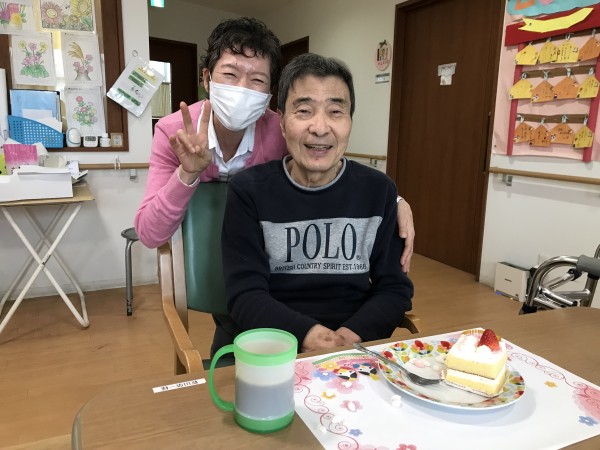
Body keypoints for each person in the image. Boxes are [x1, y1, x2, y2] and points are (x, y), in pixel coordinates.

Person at [134, 17, 416, 272]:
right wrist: (188, 173)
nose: (242, 88)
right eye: (230, 75)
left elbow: (327, 167)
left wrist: (393, 201)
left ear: (269, 92)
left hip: (264, 262)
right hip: (204, 257)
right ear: (207, 79)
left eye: (257, 79)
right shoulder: (174, 133)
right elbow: (150, 234)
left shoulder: (281, 131)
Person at [221, 53, 414, 353]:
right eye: (304, 110)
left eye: (336, 111)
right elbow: (244, 294)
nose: (320, 127)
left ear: (350, 121)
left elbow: (394, 288)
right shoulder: (248, 191)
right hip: (273, 345)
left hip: (353, 347)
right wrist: (310, 337)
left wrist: (348, 339)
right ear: (282, 122)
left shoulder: (379, 191)